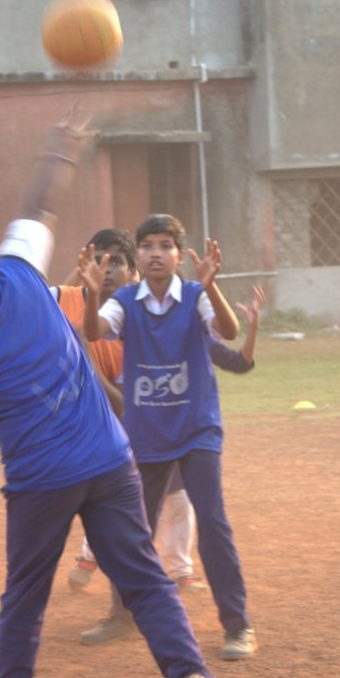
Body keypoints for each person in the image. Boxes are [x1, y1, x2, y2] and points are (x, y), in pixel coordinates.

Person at [0, 109, 214, 678]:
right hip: (110, 460)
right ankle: (189, 672)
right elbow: (40, 204)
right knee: (145, 578)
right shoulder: (18, 271)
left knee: (24, 599)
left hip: (42, 483)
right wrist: (62, 149)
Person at [80, 214, 258, 660]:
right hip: (147, 432)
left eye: (165, 245)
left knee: (213, 524)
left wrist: (211, 286)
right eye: (147, 246)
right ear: (138, 257)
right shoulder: (126, 300)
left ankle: (237, 626)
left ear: (179, 255)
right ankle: (122, 616)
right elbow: (93, 332)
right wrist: (91, 293)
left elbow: (230, 332)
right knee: (131, 529)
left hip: (197, 427)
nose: (155, 253)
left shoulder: (195, 295)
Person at [54, 228, 210, 597]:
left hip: (141, 408)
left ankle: (179, 570)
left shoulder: (141, 309)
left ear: (133, 271)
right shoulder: (69, 299)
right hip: (89, 414)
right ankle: (91, 556)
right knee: (109, 492)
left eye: (116, 262)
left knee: (175, 493)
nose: (106, 269)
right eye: (98, 261)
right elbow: (35, 302)